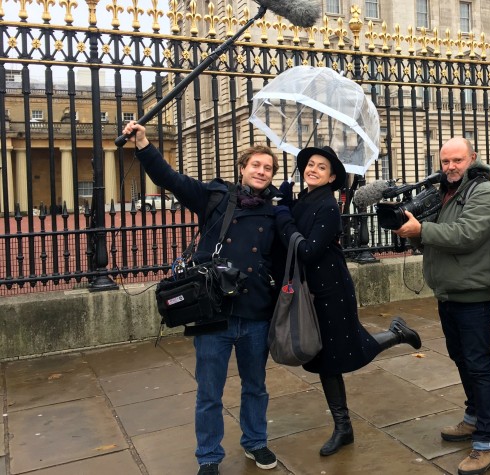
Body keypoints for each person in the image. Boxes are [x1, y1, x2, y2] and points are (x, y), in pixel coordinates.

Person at [122, 121, 284, 475]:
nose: (262, 171)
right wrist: (144, 145)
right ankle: (209, 456)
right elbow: (171, 179)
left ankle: (255, 441)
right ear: (242, 168)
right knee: (209, 392)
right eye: (256, 165)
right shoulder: (216, 198)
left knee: (256, 387)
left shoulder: (276, 211)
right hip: (214, 314)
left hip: (256, 313)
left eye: (268, 168)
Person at [273, 145, 422, 457]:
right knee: (325, 358)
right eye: (310, 164)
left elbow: (308, 250)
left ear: (331, 178)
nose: (313, 169)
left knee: (341, 354)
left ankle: (395, 336)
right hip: (311, 289)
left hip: (331, 291)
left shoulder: (327, 206)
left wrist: (284, 216)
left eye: (321, 167)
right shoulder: (304, 199)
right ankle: (344, 427)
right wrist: (285, 201)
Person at [393, 137, 490, 475]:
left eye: (457, 160)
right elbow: (436, 238)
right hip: (448, 292)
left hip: (474, 294)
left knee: (479, 365)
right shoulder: (447, 193)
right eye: (445, 161)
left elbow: (466, 234)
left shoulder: (485, 192)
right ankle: (473, 418)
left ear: (473, 158)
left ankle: (486, 444)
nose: (451, 167)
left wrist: (423, 229)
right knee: (462, 359)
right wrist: (412, 232)